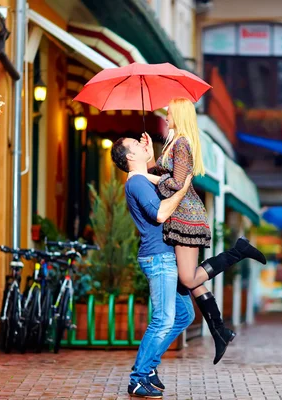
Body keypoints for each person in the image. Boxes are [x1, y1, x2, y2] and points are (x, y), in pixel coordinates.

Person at [139, 97, 267, 364]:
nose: (165, 115)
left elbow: (176, 182)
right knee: (191, 282)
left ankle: (238, 251)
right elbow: (167, 178)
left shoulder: (183, 143)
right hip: (179, 218)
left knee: (187, 279)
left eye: (169, 111)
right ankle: (219, 330)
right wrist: (151, 160)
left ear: (180, 114)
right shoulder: (174, 142)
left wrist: (148, 176)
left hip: (187, 217)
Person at [111, 136, 195, 398]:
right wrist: (183, 189)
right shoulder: (136, 182)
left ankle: (147, 369)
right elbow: (159, 214)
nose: (140, 143)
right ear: (129, 158)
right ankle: (138, 377)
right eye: (136, 145)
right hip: (158, 258)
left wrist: (150, 153)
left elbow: (160, 182)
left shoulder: (142, 179)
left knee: (184, 315)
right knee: (163, 319)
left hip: (165, 256)